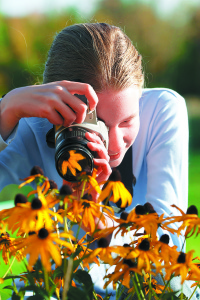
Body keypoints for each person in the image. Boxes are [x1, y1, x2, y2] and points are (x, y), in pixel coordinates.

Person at [0, 23, 191, 298]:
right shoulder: (33, 126)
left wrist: (90, 213)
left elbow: (168, 248)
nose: (114, 146)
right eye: (98, 124)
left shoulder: (161, 111)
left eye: (127, 121)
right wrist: (5, 112)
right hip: (62, 288)